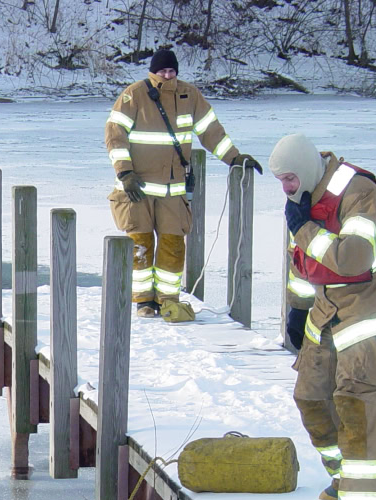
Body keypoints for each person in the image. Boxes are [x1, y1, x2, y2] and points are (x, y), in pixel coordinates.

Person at [269, 133, 376, 500]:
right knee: (311, 397)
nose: (285, 188)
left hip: (369, 308)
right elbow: (304, 263)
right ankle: (344, 477)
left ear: (303, 170)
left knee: (357, 402)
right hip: (325, 311)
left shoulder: (360, 193)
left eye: (288, 179)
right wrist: (299, 310)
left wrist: (303, 229)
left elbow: (353, 259)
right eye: (280, 181)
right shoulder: (305, 198)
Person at [104, 47, 263, 317]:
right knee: (140, 246)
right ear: (152, 71)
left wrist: (234, 158)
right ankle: (143, 301)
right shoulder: (133, 95)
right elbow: (114, 135)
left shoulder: (190, 95)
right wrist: (124, 172)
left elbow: (211, 131)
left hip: (173, 189)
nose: (167, 75)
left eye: (172, 70)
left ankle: (168, 300)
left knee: (173, 245)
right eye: (163, 70)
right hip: (137, 189)